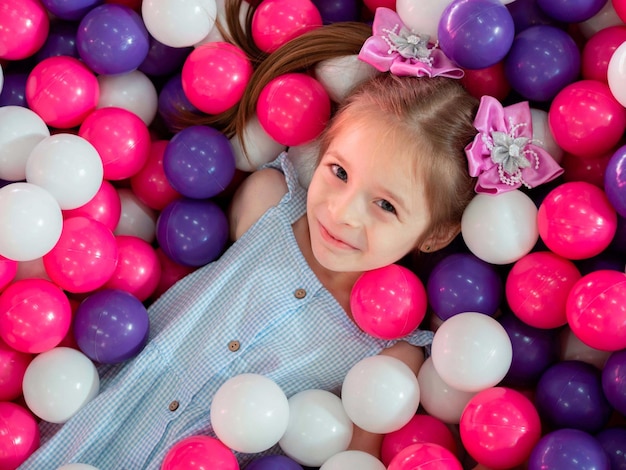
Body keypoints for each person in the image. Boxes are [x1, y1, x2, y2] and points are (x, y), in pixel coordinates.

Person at [19, 2, 562, 468]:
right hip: (88, 417)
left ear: (436, 235)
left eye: (386, 205)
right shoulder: (269, 206)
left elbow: (351, 456)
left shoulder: (393, 355)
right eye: (339, 172)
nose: (343, 214)